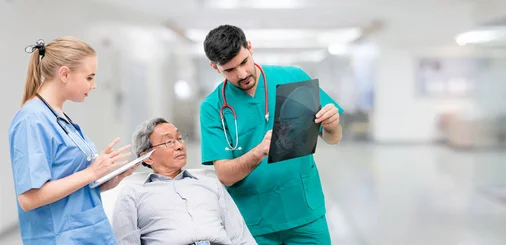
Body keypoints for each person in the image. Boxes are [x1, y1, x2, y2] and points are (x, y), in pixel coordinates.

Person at [199, 24, 344, 244]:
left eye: (243, 62)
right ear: (214, 66)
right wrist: (257, 153)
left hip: (305, 212)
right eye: (229, 70)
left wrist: (332, 125)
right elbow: (225, 175)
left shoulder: (294, 78)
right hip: (253, 222)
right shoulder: (212, 107)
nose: (242, 74)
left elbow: (333, 138)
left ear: (249, 47)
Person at [8, 37, 135, 245]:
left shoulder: (60, 118)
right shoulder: (31, 120)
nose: (93, 86)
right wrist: (91, 172)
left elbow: (71, 182)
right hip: (60, 237)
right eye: (89, 77)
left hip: (90, 232)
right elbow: (29, 199)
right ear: (65, 74)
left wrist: (104, 178)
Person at [112, 117, 257, 245]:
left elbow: (241, 237)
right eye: (169, 142)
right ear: (148, 157)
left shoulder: (211, 184)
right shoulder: (132, 194)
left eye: (180, 138)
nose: (180, 146)